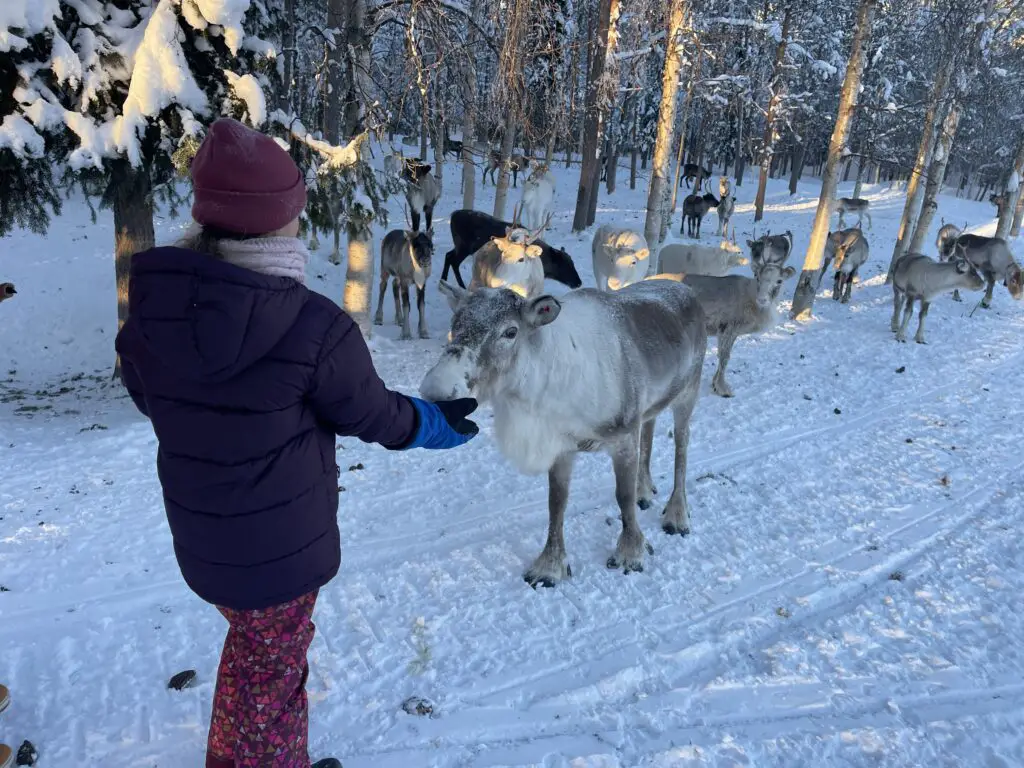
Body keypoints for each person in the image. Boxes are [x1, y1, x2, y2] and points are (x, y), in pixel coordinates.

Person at [114, 118, 479, 768]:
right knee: (277, 685)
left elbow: (149, 397)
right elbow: (375, 416)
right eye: (293, 212)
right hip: (278, 556)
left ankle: (230, 754)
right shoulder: (313, 326)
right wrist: (436, 423)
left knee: (254, 654)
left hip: (205, 544)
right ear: (278, 221)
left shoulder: (156, 310)